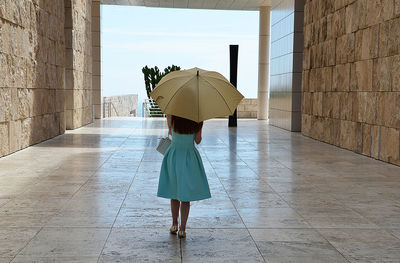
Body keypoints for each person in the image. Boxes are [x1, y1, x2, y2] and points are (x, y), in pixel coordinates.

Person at [157, 114, 211, 238]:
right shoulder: (197, 118)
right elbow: (198, 140)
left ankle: (174, 224)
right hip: (189, 157)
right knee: (185, 195)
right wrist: (200, 124)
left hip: (173, 155)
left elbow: (171, 132)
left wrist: (168, 118)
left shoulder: (172, 115)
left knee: (174, 192)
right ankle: (182, 229)